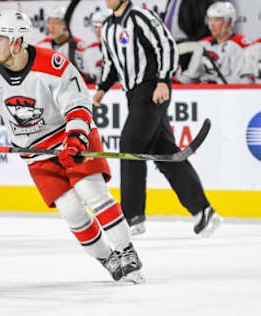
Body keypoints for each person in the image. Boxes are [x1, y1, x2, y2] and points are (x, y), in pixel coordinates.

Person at [0, 9, 144, 283]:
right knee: (71, 211)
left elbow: (78, 104)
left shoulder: (53, 64)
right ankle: (108, 258)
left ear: (16, 41)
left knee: (91, 191)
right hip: (35, 151)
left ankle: (127, 251)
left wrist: (76, 136)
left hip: (69, 137)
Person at [93, 0, 222, 236]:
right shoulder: (109, 26)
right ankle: (203, 211)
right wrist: (101, 89)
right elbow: (111, 62)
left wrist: (163, 80)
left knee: (130, 145)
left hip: (153, 89)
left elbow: (166, 46)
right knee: (166, 154)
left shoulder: (141, 16)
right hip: (134, 95)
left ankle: (132, 216)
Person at [177, 2, 253, 84]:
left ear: (229, 22)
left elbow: (245, 80)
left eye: (216, 20)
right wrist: (178, 82)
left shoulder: (240, 45)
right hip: (204, 93)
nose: (211, 25)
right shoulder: (203, 44)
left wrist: (217, 85)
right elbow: (191, 76)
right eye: (210, 20)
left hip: (227, 94)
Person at [36, 7, 92, 83]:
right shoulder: (41, 46)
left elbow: (88, 76)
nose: (51, 27)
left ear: (66, 25)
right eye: (49, 22)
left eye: (56, 22)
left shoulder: (79, 46)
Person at [82, 11, 111, 85]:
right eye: (96, 26)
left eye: (102, 25)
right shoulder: (88, 52)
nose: (99, 30)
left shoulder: (123, 48)